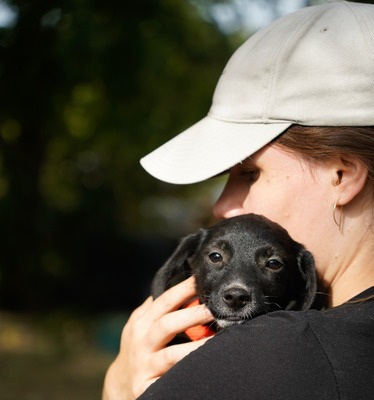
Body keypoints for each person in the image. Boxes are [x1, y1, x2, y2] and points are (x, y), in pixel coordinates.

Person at [102, 1, 374, 399]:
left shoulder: (272, 355)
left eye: (248, 173)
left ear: (342, 174)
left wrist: (119, 390)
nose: (222, 206)